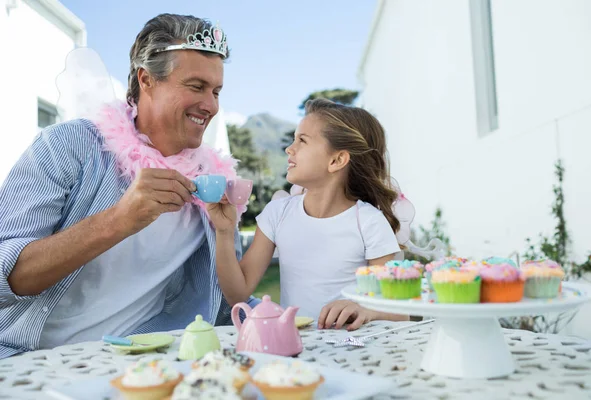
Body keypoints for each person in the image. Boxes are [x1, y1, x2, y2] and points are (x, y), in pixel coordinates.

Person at [0, 14, 256, 359]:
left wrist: (317, 317)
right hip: (32, 357)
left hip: (144, 363)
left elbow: (223, 304)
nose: (210, 105)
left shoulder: (212, 181)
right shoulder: (67, 146)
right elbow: (5, 279)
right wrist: (118, 220)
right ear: (146, 79)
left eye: (216, 91)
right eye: (196, 87)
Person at [208, 99, 408, 331]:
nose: (289, 149)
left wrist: (365, 310)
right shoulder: (278, 213)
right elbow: (238, 294)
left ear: (336, 160)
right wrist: (224, 231)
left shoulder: (369, 222)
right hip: (294, 346)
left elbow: (400, 313)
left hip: (352, 344)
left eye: (302, 141)